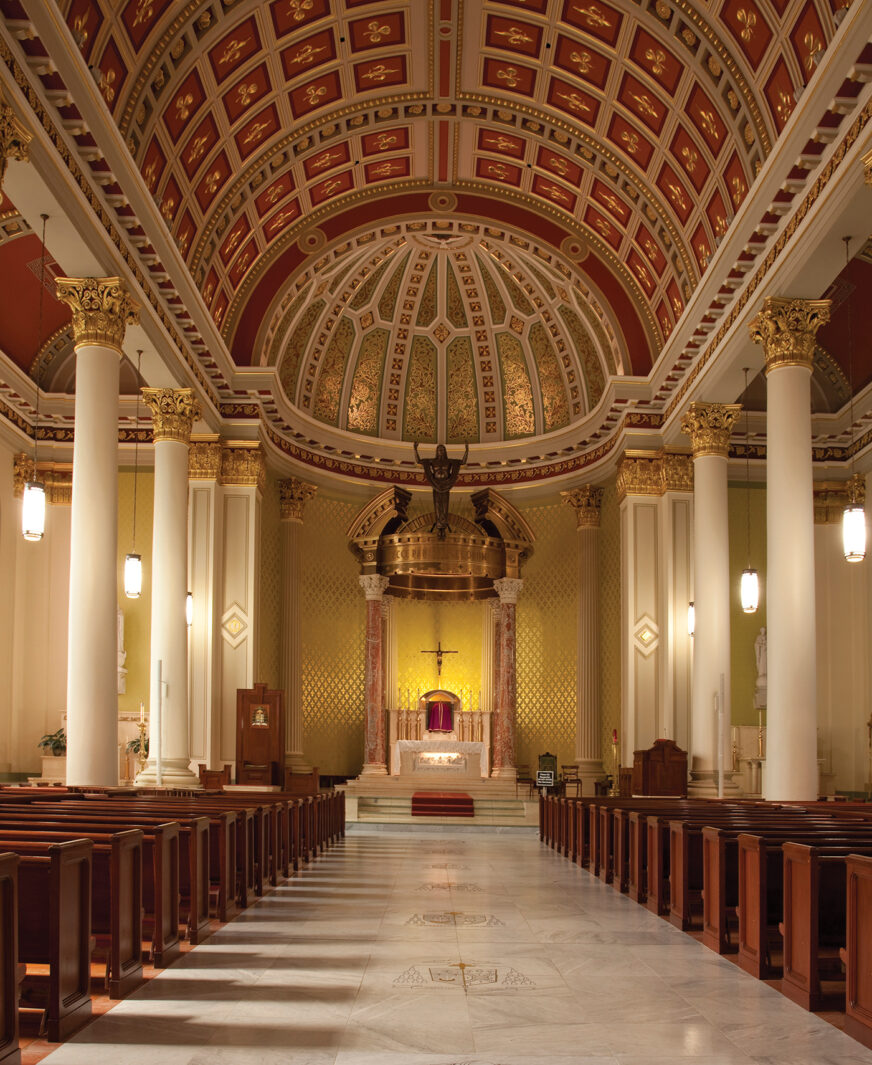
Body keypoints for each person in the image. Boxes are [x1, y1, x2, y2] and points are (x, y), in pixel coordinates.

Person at [414, 441, 468, 538]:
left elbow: (462, 462)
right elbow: (419, 461)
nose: (441, 451)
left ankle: (443, 526)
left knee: (445, 505)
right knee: (438, 505)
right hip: (435, 484)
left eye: (442, 449)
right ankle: (439, 526)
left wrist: (466, 450)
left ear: (445, 451)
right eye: (439, 450)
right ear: (437, 451)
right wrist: (415, 449)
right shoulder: (432, 461)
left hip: (446, 484)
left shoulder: (450, 461)